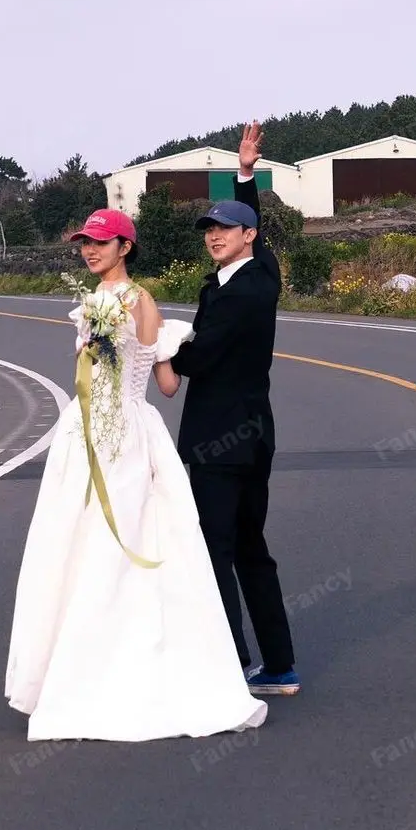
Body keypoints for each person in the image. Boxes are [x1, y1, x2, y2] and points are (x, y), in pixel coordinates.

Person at [4, 207, 267, 741]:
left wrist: (165, 347)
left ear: (126, 246)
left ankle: (132, 669)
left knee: (123, 542)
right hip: (81, 435)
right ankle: (74, 672)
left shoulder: (140, 299)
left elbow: (164, 384)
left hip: (125, 432)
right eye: (84, 243)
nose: (90, 250)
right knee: (70, 543)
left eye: (101, 242)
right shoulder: (88, 305)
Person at [170, 121, 299, 695]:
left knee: (214, 550)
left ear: (246, 237)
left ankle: (230, 664)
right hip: (254, 438)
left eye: (225, 228)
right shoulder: (260, 272)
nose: (214, 235)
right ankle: (279, 665)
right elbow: (258, 228)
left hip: (220, 444)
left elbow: (195, 362)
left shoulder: (239, 293)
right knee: (251, 549)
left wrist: (156, 342)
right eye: (209, 229)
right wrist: (244, 175)